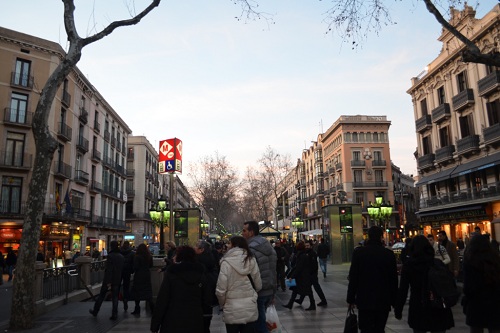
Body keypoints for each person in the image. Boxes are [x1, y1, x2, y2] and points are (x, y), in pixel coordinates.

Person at [395, 235, 455, 333]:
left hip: (418, 306)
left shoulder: (409, 266)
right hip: (437, 306)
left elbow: (403, 290)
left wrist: (398, 309)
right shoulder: (437, 263)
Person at [347, 226, 398, 333]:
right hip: (383, 300)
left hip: (364, 299)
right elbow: (393, 280)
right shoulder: (388, 255)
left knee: (366, 329)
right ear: (381, 237)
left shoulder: (359, 253)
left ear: (368, 236)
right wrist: (394, 301)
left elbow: (353, 277)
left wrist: (350, 298)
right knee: (380, 328)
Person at [150, 245, 212, 333]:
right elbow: (207, 299)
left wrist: (155, 325)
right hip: (195, 319)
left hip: (172, 320)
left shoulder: (172, 274)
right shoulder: (201, 274)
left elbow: (162, 300)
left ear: (180, 257)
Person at [216, 236, 262, 333]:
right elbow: (258, 284)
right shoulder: (251, 260)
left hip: (231, 307)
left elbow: (221, 289)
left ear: (233, 245)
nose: (227, 245)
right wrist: (253, 296)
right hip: (249, 305)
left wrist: (223, 303)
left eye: (229, 243)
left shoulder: (226, 263)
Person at [242, 221, 277, 333]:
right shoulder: (269, 247)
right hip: (270, 289)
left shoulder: (250, 249)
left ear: (251, 232)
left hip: (259, 291)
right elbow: (274, 269)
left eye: (244, 231)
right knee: (263, 322)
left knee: (260, 324)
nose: (242, 233)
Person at [462, 234, 500, 333]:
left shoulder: (469, 261)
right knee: (494, 328)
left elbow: (467, 286)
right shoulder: (495, 259)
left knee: (476, 328)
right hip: (494, 300)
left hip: (476, 302)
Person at [89, 240, 124, 320]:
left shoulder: (110, 256)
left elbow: (109, 270)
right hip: (117, 279)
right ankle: (114, 314)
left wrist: (108, 282)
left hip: (109, 280)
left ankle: (95, 311)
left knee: (101, 296)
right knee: (115, 297)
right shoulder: (121, 257)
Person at [283, 241, 315, 311]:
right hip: (304, 276)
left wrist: (292, 276)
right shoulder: (303, 255)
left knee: (308, 291)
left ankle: (312, 305)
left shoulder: (301, 256)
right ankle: (290, 304)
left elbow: (298, 268)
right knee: (297, 290)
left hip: (303, 276)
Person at [195, 240, 219, 333]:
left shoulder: (198, 261)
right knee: (206, 322)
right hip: (209, 297)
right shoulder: (211, 259)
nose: (194, 248)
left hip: (200, 295)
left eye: (196, 246)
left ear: (201, 250)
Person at [131, 243, 154, 316]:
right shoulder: (149, 256)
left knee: (137, 292)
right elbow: (151, 265)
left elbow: (135, 267)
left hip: (139, 276)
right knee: (148, 293)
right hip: (147, 275)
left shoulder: (137, 257)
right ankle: (153, 308)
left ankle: (137, 309)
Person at [120, 240, 135, 311]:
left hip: (119, 271)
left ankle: (116, 301)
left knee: (117, 286)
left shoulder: (119, 252)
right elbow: (133, 263)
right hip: (127, 272)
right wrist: (132, 271)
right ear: (129, 245)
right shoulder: (132, 253)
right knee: (126, 286)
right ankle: (125, 299)